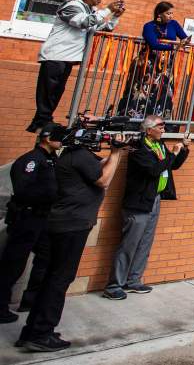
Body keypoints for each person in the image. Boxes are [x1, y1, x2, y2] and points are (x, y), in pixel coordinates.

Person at [18, 124, 127, 352]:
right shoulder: (80, 157)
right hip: (71, 226)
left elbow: (97, 168)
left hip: (61, 224)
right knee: (59, 279)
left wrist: (112, 152)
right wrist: (116, 153)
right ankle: (40, 333)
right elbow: (104, 180)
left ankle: (33, 330)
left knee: (51, 278)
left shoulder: (71, 156)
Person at [103, 116, 191, 299]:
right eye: (160, 126)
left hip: (154, 199)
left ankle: (133, 280)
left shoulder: (160, 144)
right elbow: (153, 170)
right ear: (148, 129)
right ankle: (114, 285)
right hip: (139, 201)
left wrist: (183, 149)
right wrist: (173, 154)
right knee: (130, 243)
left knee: (145, 242)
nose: (163, 129)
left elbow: (172, 165)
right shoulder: (138, 148)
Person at [27, 0, 124, 133]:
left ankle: (43, 121)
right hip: (56, 55)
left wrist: (115, 16)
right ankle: (41, 122)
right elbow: (84, 22)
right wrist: (108, 10)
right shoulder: (72, 5)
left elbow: (100, 28)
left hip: (67, 57)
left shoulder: (90, 10)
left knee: (56, 91)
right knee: (48, 91)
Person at [0, 124, 67, 324]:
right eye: (58, 136)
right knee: (13, 264)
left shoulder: (52, 160)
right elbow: (23, 190)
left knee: (46, 258)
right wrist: (50, 195)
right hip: (27, 219)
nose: (61, 140)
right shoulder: (32, 160)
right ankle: (1, 305)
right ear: (46, 138)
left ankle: (30, 300)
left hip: (43, 219)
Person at [136, 1, 192, 118]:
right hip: (150, 61)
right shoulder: (149, 26)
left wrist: (185, 41)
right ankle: (141, 117)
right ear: (159, 14)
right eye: (168, 13)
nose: (171, 16)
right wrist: (173, 46)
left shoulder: (174, 24)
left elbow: (184, 37)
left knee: (165, 89)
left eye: (172, 13)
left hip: (167, 63)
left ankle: (161, 118)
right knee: (147, 87)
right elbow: (153, 44)